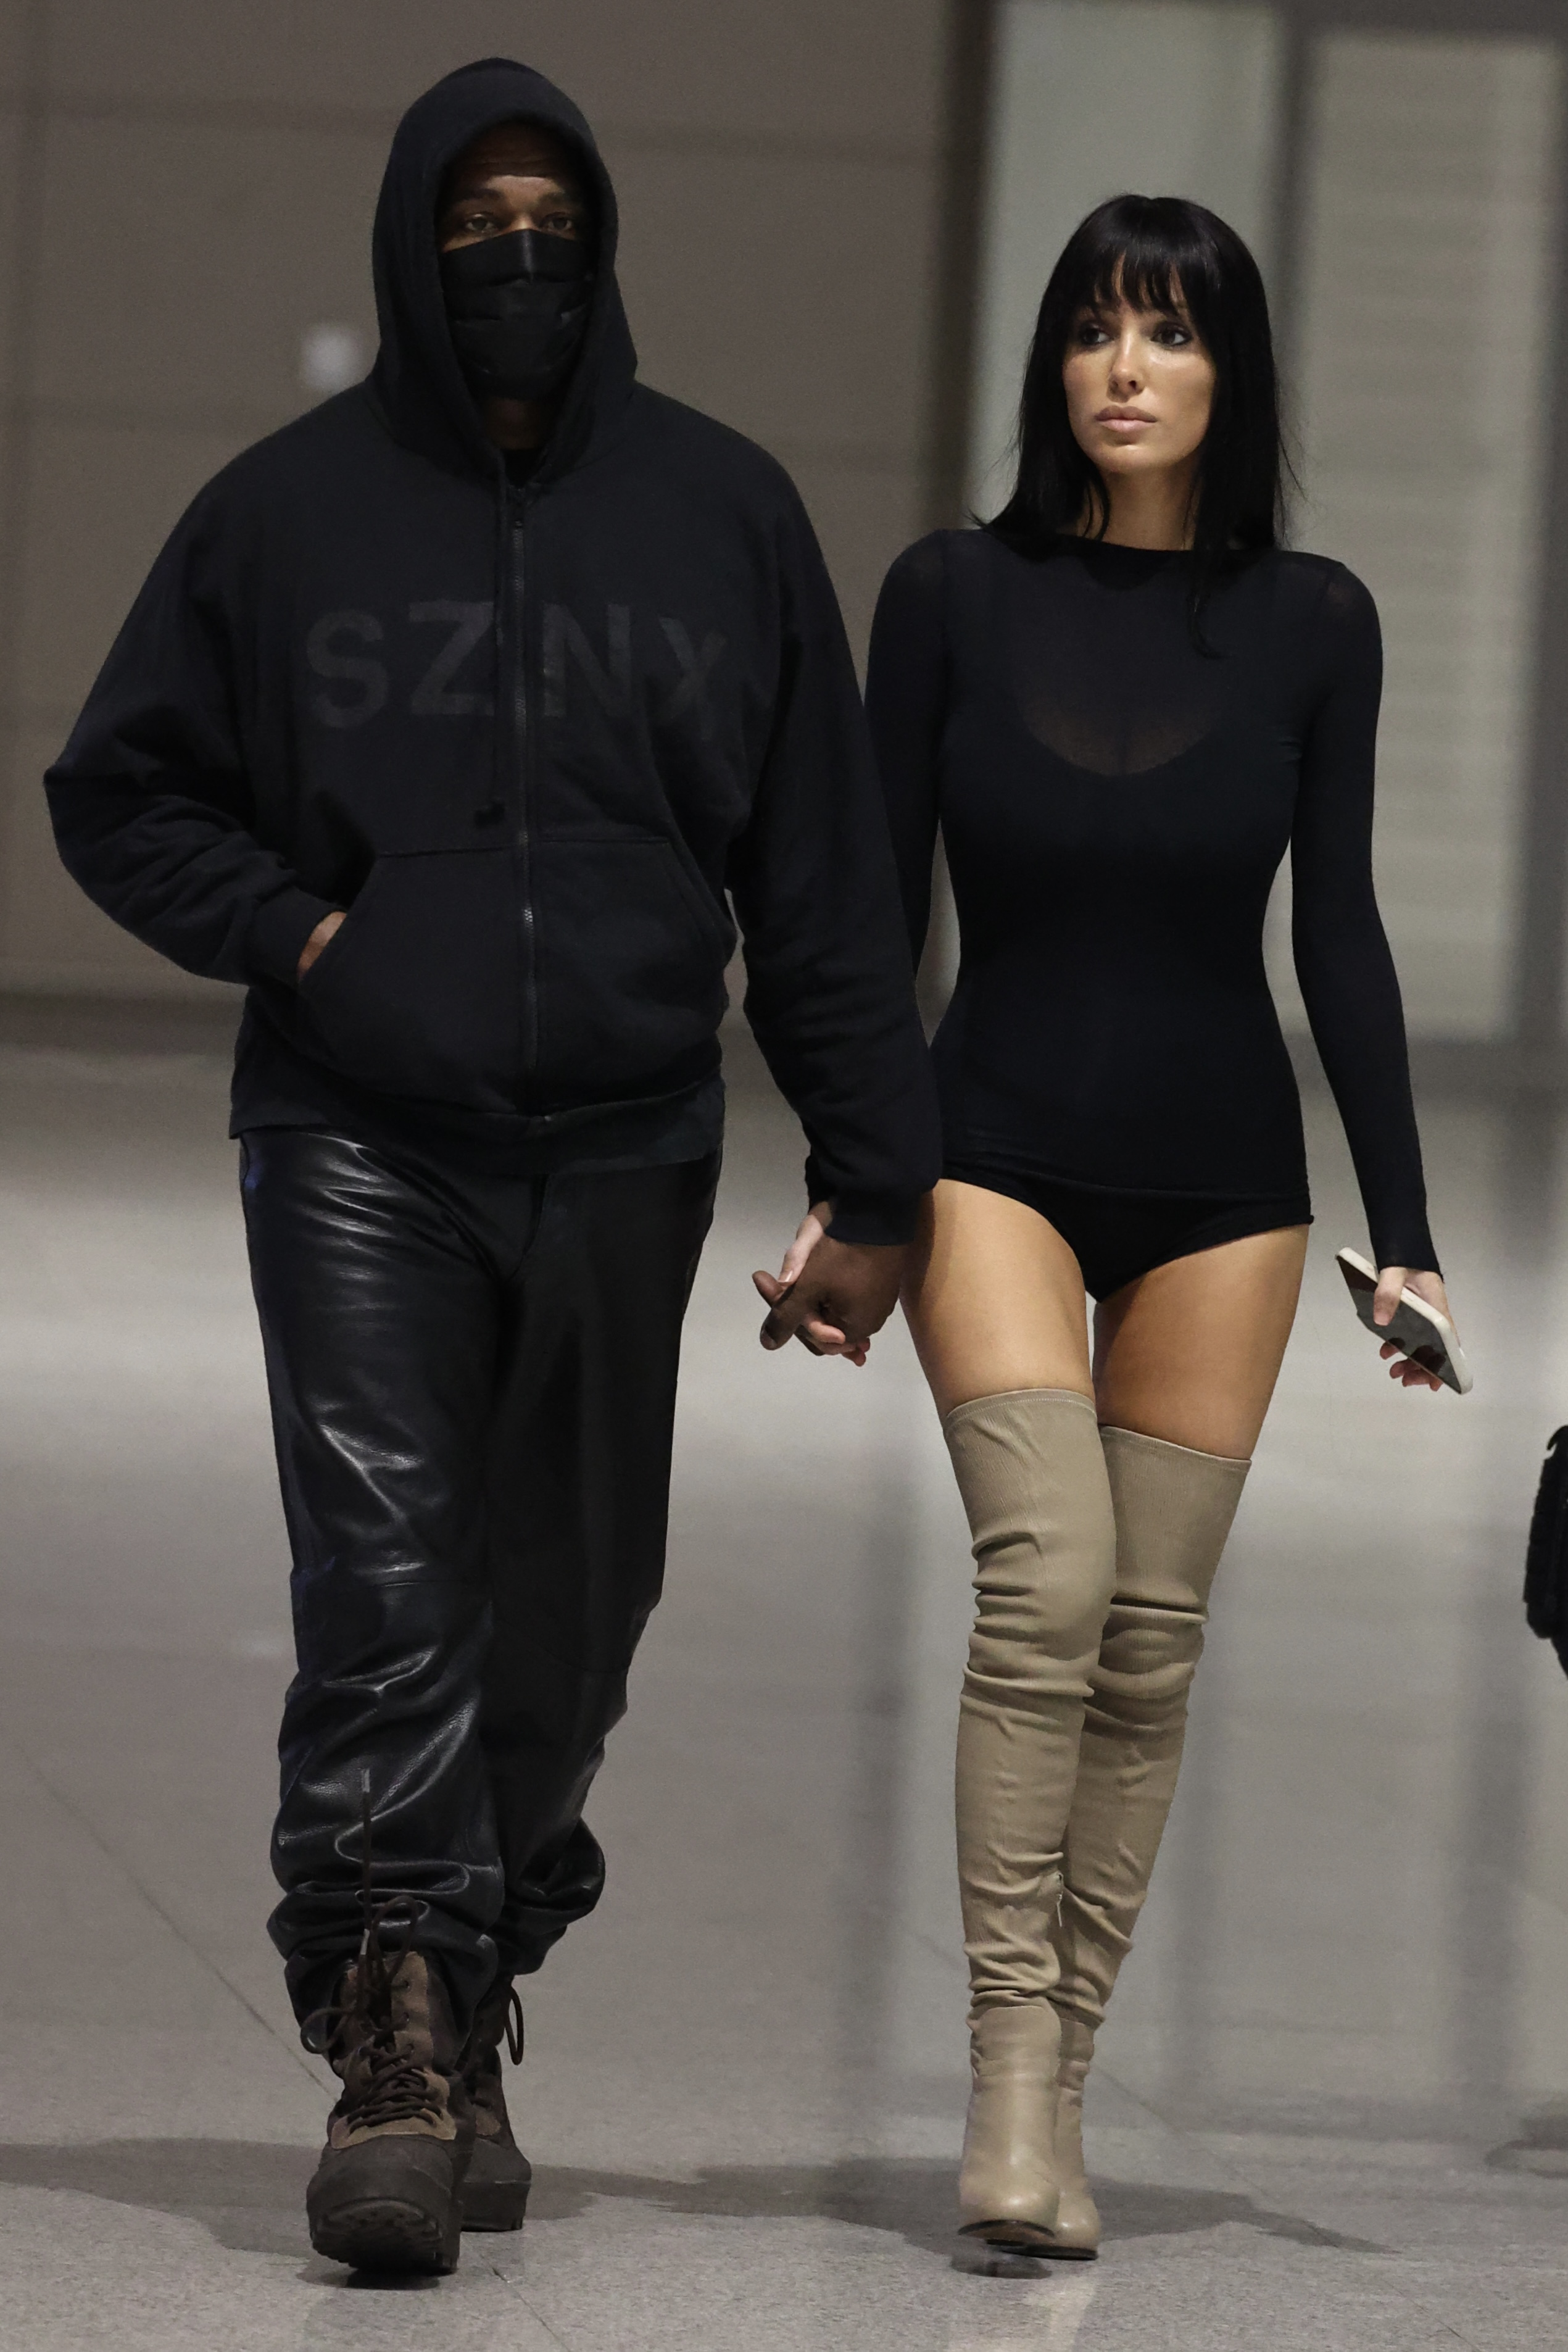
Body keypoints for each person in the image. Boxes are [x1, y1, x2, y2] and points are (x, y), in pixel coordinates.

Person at [45, 57, 939, 2277]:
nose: (517, 261)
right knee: (383, 1581)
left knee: (576, 1605)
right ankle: (397, 2033)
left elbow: (818, 877)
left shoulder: (722, 516)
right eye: (478, 227)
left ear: (604, 243)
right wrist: (311, 937)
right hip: (356, 1126)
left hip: (631, 1134)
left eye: (551, 221)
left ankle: (477, 1929)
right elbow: (118, 786)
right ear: (413, 252)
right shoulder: (285, 514)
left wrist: (879, 1175)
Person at [858, 193, 1454, 2255]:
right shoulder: (946, 593)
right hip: (988, 1146)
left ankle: (1069, 2084)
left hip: (1225, 1178)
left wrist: (1411, 1229)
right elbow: (872, 914)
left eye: (1171, 332)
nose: (1128, 364)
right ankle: (1009, 2079)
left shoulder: (1318, 623)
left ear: (1231, 375)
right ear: (1052, 364)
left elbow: (1347, 937)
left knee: (1150, 1639)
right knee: (1053, 1583)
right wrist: (862, 1181)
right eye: (1097, 328)